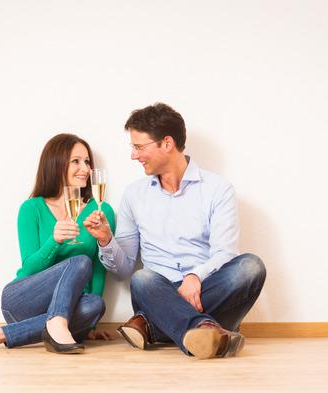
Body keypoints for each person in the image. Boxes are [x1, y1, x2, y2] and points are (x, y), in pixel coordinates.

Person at [84, 103, 266, 360]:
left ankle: (152, 326)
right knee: (142, 279)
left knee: (250, 267)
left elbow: (224, 253)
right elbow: (124, 269)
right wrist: (105, 239)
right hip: (158, 289)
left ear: (166, 143)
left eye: (139, 147)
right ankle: (207, 328)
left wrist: (195, 276)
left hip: (204, 288)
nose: (134, 156)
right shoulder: (134, 195)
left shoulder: (217, 189)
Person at [0, 133, 116, 354]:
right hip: (23, 300)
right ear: (55, 163)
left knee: (95, 305)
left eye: (87, 162)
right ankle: (57, 322)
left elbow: (98, 270)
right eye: (76, 161)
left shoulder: (101, 211)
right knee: (80, 261)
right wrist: (54, 241)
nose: (85, 168)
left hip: (73, 307)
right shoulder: (31, 209)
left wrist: (91, 323)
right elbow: (29, 268)